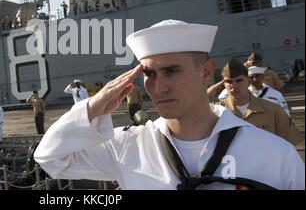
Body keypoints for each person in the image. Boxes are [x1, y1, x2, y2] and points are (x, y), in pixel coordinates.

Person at [34, 19, 305, 190]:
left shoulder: (275, 156)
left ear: (206, 72)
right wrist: (94, 106)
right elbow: (50, 158)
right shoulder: (128, 147)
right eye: (149, 74)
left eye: (172, 71)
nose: (158, 87)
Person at [213, 59, 301, 146]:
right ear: (223, 84)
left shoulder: (273, 110)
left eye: (239, 80)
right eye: (229, 81)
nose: (233, 86)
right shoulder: (217, 112)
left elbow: (288, 145)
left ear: (248, 81)